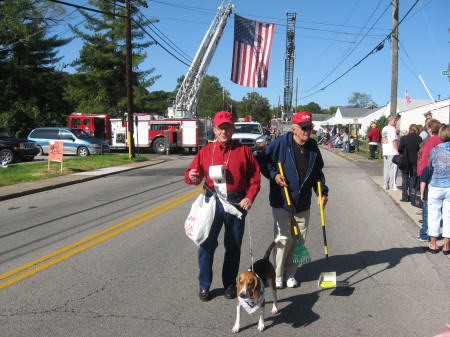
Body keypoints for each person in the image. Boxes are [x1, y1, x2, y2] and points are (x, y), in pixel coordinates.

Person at [184, 111, 261, 302]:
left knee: (233, 246)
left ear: (233, 129)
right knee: (206, 244)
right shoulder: (205, 152)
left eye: (227, 127)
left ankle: (229, 285)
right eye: (220, 128)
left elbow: (255, 179)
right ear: (214, 130)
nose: (224, 131)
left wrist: (249, 197)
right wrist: (192, 177)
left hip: (236, 203)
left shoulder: (244, 152)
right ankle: (204, 286)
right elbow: (191, 174)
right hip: (212, 203)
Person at [256, 111, 328, 289]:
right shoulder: (282, 143)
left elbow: (318, 173)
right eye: (304, 128)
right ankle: (278, 274)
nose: (307, 131)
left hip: (303, 202)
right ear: (294, 128)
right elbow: (262, 159)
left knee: (299, 240)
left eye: (309, 127)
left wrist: (322, 192)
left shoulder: (312, 147)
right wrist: (274, 175)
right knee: (283, 238)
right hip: (282, 199)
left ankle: (291, 273)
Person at [424, 124, 450, 255]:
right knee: (448, 215)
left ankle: (433, 244)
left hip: (436, 184)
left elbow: (430, 167)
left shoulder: (434, 151)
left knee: (434, 215)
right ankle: (446, 245)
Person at [398, 124, 422, 202]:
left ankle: (404, 196)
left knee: (405, 178)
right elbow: (421, 149)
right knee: (413, 178)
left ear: (409, 129)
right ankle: (412, 196)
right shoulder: (419, 138)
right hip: (415, 160)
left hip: (405, 160)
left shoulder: (404, 138)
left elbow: (399, 149)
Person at [381, 115, 399, 191]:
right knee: (393, 169)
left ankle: (386, 184)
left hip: (385, 150)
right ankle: (392, 185)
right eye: (394, 120)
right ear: (390, 120)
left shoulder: (384, 129)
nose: (395, 122)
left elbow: (384, 140)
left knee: (386, 169)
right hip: (392, 151)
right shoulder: (392, 129)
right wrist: (397, 150)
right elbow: (394, 140)